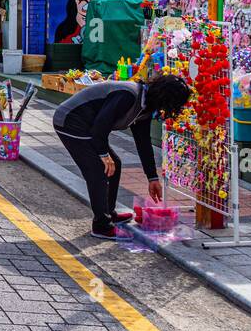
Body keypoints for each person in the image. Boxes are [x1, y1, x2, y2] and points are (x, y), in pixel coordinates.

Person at [53, 74, 191, 240]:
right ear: (165, 99)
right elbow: (100, 127)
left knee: (114, 164)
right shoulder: (128, 96)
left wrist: (152, 178)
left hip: (89, 127)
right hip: (70, 121)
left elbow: (143, 143)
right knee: (98, 171)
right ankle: (101, 226)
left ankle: (109, 214)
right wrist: (103, 155)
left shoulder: (145, 106)